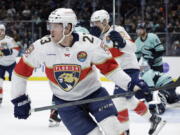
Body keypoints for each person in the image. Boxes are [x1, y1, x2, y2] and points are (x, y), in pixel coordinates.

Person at [11, 8, 136, 135]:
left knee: (114, 130)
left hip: (95, 95)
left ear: (68, 27)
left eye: (56, 25)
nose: (51, 30)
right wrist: (19, 99)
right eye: (50, 25)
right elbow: (19, 72)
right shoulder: (41, 47)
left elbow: (112, 69)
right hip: (66, 104)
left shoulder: (91, 44)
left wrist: (131, 85)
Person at [90, 9, 166, 135]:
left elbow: (133, 48)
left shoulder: (117, 30)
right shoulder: (99, 38)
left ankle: (125, 131)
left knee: (119, 100)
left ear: (104, 21)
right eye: (92, 23)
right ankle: (154, 119)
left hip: (128, 68)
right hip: (119, 72)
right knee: (128, 101)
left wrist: (122, 42)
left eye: (96, 23)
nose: (94, 26)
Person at [0, 24, 19, 105]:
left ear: (4, 31)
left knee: (16, 82)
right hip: (0, 65)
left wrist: (9, 52)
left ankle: (17, 97)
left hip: (12, 64)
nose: (0, 32)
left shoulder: (10, 40)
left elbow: (17, 50)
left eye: (2, 30)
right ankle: (0, 97)